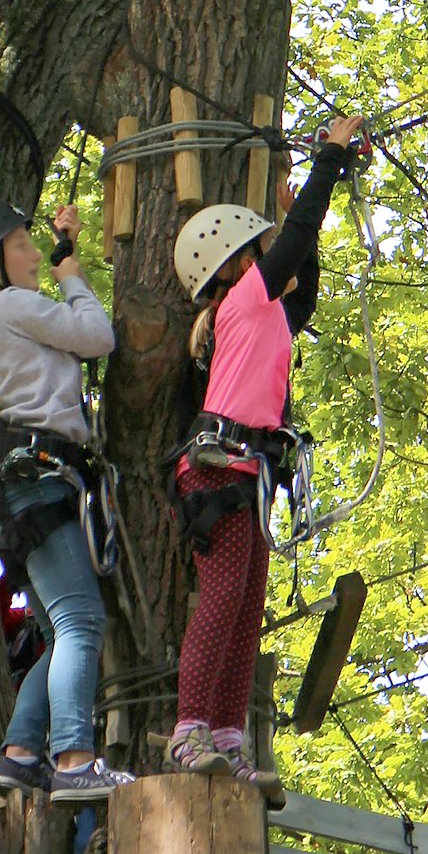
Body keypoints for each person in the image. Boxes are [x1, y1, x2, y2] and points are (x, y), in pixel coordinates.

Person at [165, 115, 368, 808]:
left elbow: (303, 287)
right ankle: (189, 730)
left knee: (246, 610)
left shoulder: (267, 312)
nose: (267, 262)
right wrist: (329, 158)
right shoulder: (241, 303)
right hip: (220, 470)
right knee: (222, 604)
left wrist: (298, 212)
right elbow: (299, 243)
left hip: (249, 473)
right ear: (231, 266)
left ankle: (225, 736)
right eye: (257, 252)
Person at [0, 196, 135, 803]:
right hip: (39, 482)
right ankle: (73, 759)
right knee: (82, 621)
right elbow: (98, 337)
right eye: (20, 246)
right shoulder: (11, 306)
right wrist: (71, 276)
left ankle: (22, 754)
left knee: (56, 630)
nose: (31, 256)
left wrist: (63, 248)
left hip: (14, 492)